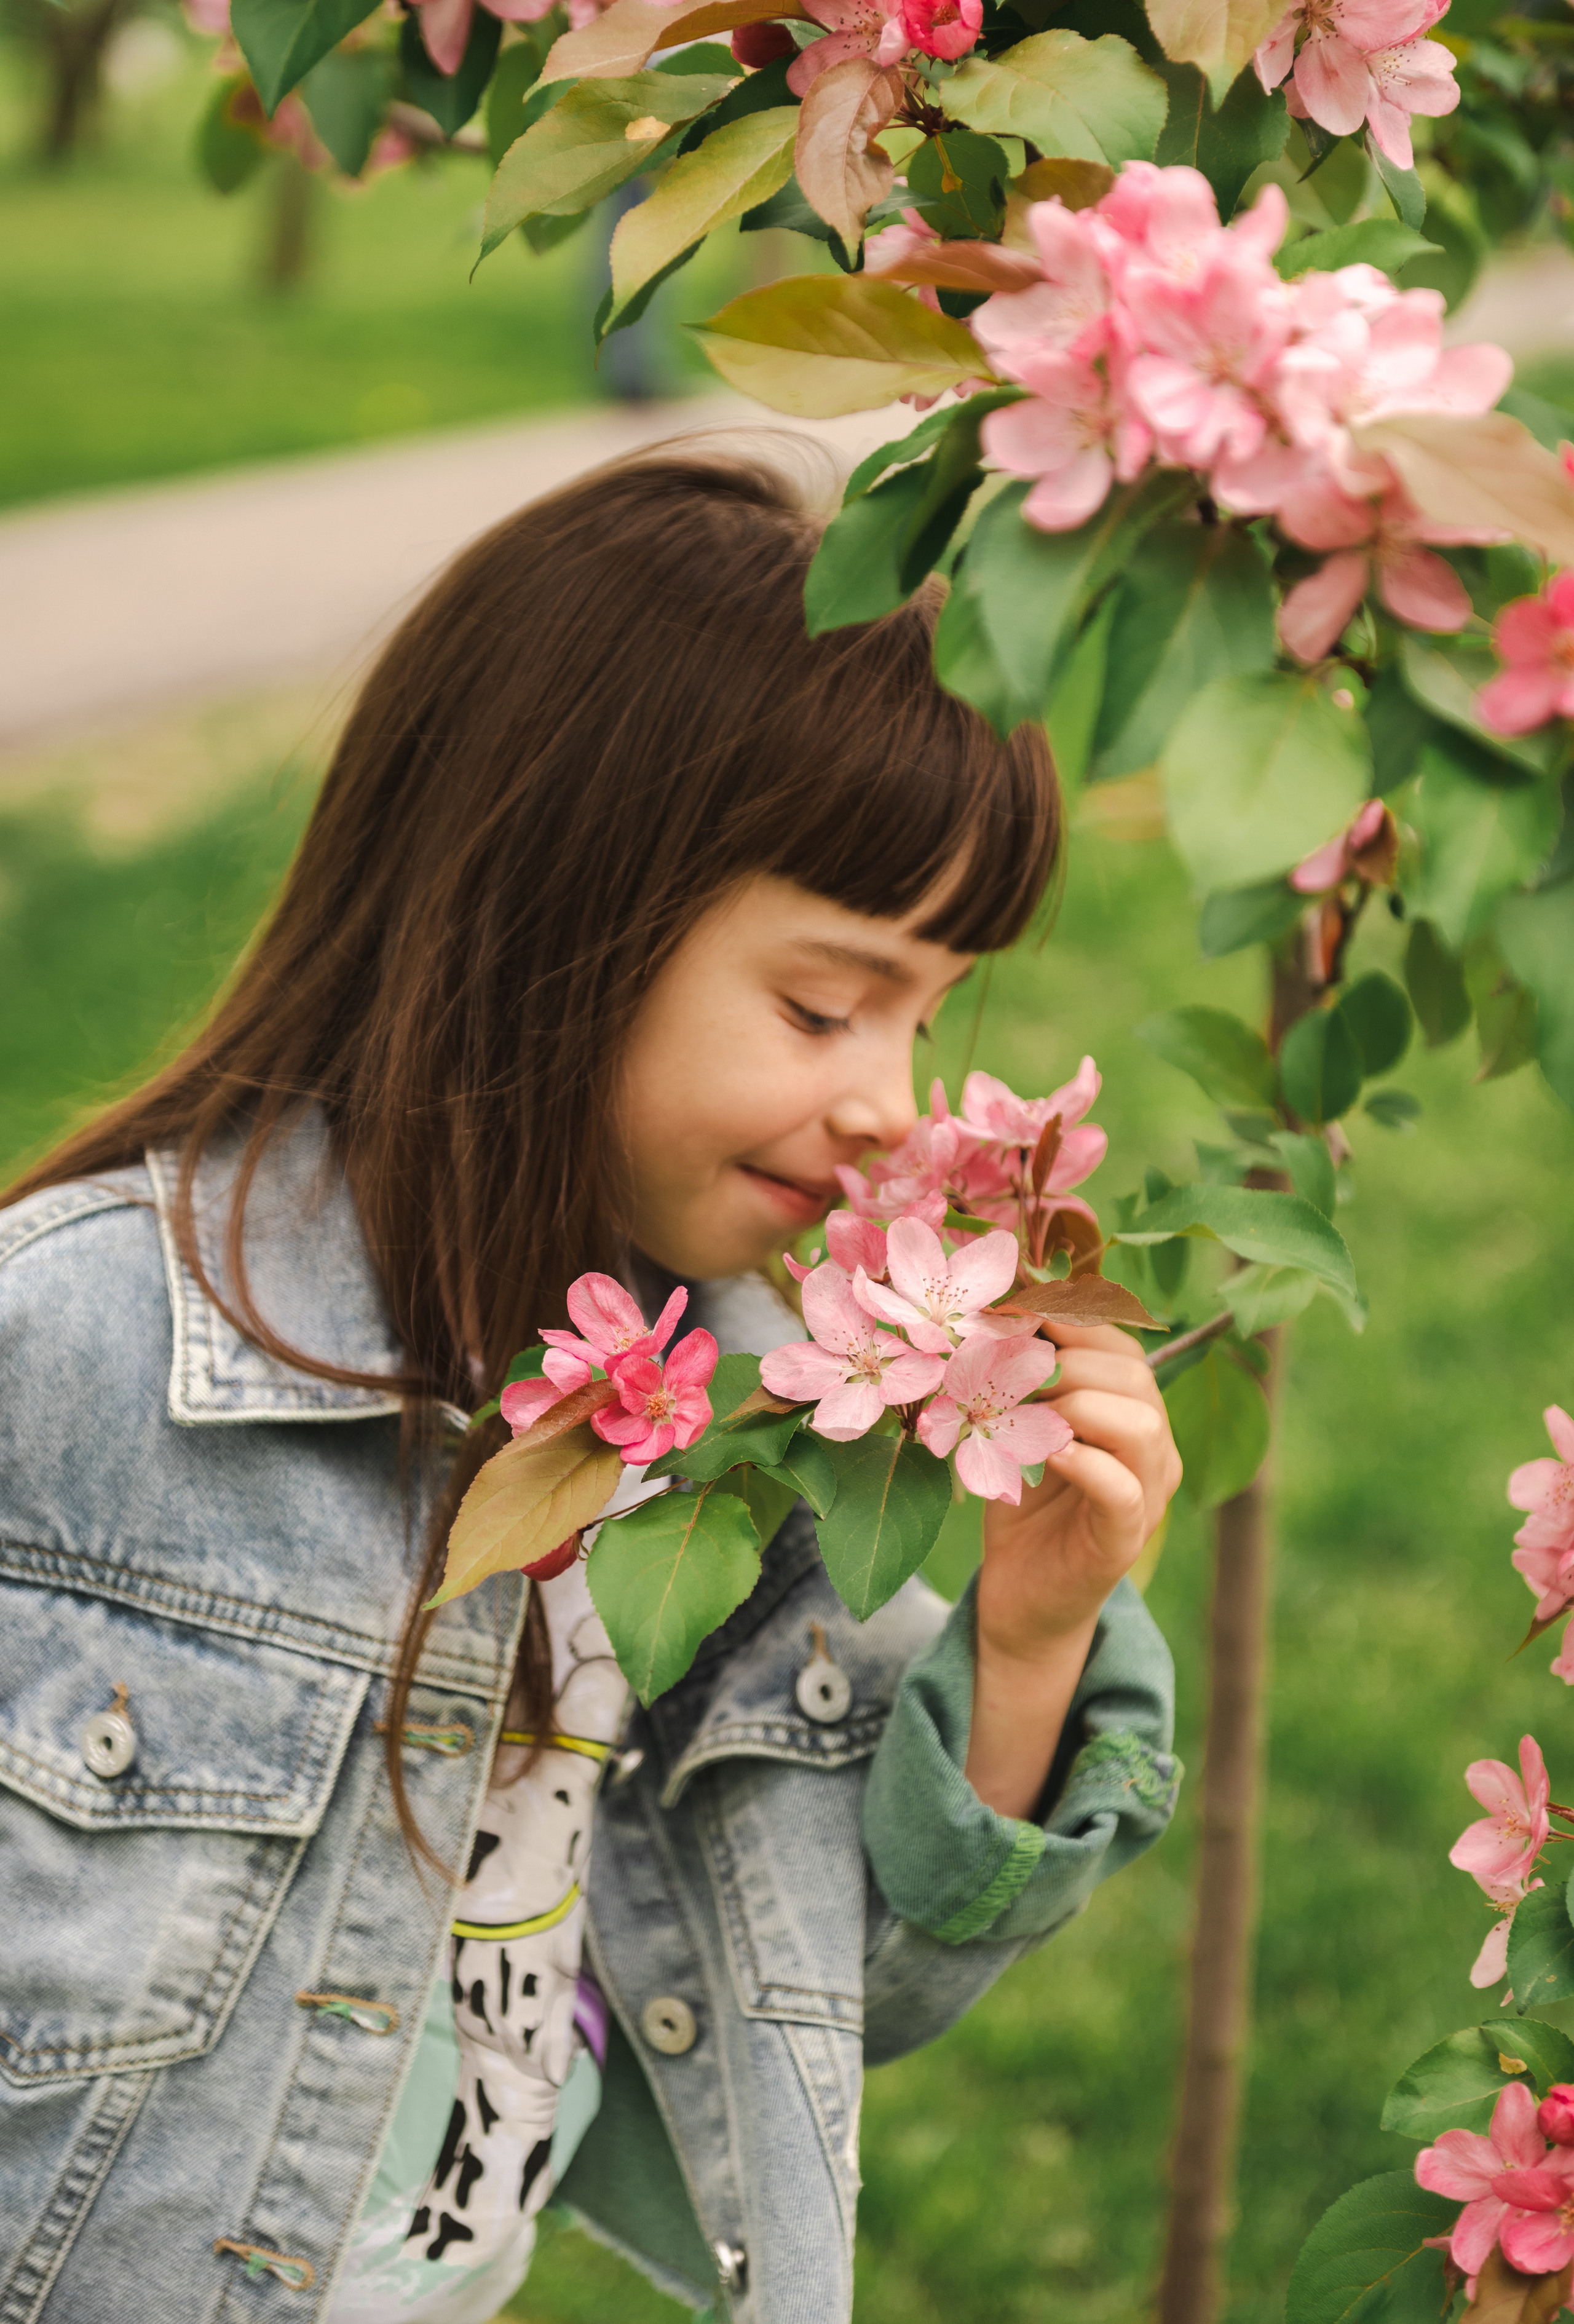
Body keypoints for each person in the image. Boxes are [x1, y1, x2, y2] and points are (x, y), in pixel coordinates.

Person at [0, 443, 1182, 2324]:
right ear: (561, 918)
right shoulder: (75, 1359)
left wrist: (1032, 1642)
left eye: (929, 1013)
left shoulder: (754, 1435)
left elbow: (834, 1991)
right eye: (823, 1005)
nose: (892, 1101)